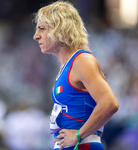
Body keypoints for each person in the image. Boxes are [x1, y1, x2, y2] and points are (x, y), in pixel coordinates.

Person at [33, 1, 119, 150]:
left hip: (82, 145)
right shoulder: (66, 66)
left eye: (41, 29)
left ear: (59, 29)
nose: (36, 36)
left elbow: (110, 103)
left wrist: (78, 135)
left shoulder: (81, 61)